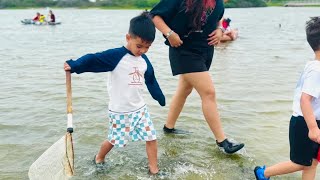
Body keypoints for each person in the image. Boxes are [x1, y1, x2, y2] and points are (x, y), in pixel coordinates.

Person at [63, 11, 165, 175]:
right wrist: (75, 65)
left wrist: (159, 97)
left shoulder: (144, 60)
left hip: (140, 109)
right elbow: (93, 59)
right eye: (139, 46)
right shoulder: (116, 57)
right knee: (113, 140)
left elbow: (151, 80)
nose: (143, 51)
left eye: (147, 47)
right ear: (128, 38)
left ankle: (154, 169)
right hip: (120, 111)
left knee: (151, 137)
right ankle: (99, 157)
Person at [150, 0, 244, 154]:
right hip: (184, 50)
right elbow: (154, 15)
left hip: (205, 51)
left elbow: (218, 18)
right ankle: (222, 142)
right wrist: (169, 33)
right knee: (209, 93)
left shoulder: (218, 3)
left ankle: (168, 127)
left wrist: (220, 30)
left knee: (184, 90)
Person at [254, 17, 320, 180]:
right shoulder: (317, 70)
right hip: (304, 123)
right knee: (300, 162)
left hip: (313, 121)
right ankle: (263, 173)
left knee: (312, 162)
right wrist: (312, 128)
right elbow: (305, 100)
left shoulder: (314, 66)